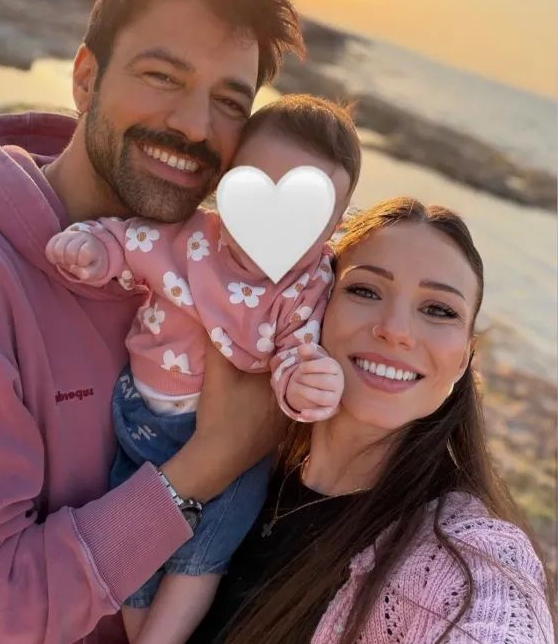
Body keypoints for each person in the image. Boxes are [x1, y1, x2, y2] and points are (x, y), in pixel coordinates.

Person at [0, 0, 306, 644]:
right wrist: (207, 464)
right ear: (86, 78)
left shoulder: (223, 270)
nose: (195, 126)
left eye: (229, 102)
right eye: (163, 76)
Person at [45, 94, 362, 643]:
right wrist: (91, 250)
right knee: (134, 557)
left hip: (241, 449)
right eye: (255, 191)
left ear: (333, 225)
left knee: (202, 556)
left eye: (304, 216)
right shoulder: (191, 238)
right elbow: (126, 240)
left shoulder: (307, 284)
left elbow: (298, 350)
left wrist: (308, 382)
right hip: (142, 424)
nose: (269, 228)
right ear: (226, 181)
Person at [191, 197, 555, 644]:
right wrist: (202, 467)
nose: (396, 330)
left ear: (464, 359)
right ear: (314, 307)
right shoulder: (235, 453)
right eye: (365, 291)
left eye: (439, 310)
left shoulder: (468, 557)